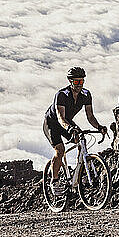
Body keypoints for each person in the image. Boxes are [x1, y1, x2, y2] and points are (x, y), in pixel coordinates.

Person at [43, 66, 107, 196]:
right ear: (70, 81)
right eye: (76, 82)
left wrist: (99, 127)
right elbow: (61, 117)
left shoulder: (86, 94)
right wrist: (70, 128)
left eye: (82, 81)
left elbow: (90, 116)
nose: (79, 84)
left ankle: (78, 173)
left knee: (81, 139)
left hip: (67, 122)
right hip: (52, 123)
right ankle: (54, 181)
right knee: (60, 151)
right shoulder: (61, 95)